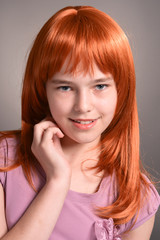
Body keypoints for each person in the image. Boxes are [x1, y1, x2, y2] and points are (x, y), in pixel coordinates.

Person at [0, 5, 159, 240]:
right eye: (65, 87)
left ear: (121, 91)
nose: (83, 106)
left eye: (100, 86)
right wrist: (57, 181)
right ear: (43, 91)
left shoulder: (136, 197)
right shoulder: (4, 160)